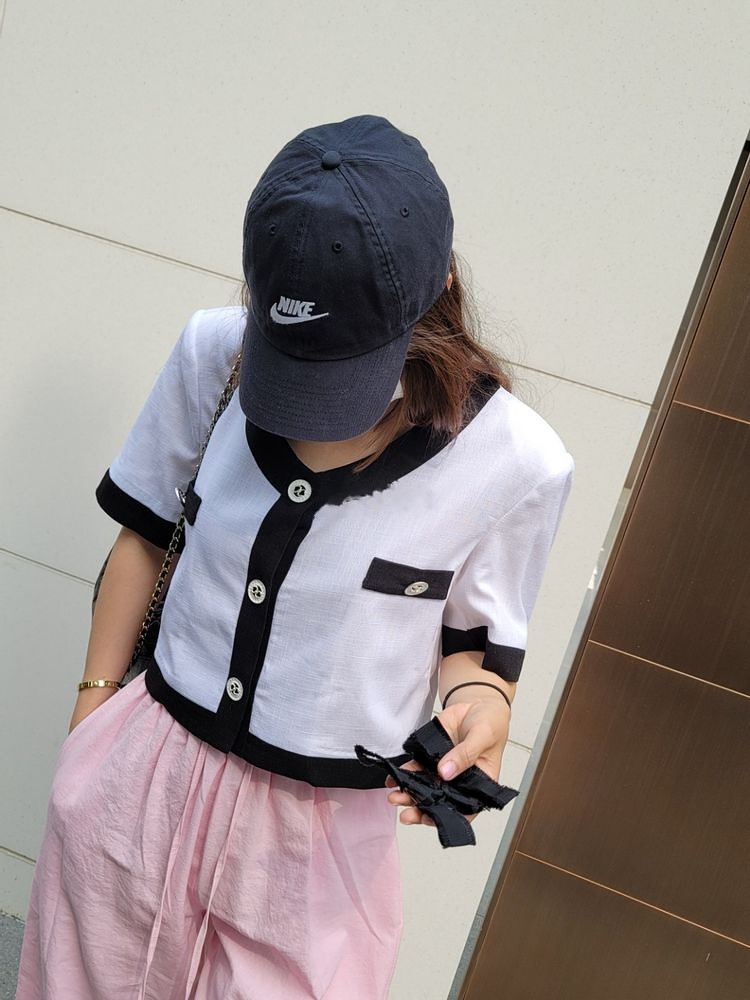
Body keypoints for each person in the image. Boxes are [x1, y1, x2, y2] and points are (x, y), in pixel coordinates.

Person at [15, 113, 575, 1000]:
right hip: (142, 774)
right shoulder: (214, 352)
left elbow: (473, 645)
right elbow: (144, 536)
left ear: (439, 285)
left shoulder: (516, 463)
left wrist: (481, 709)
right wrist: (90, 723)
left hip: (318, 840)